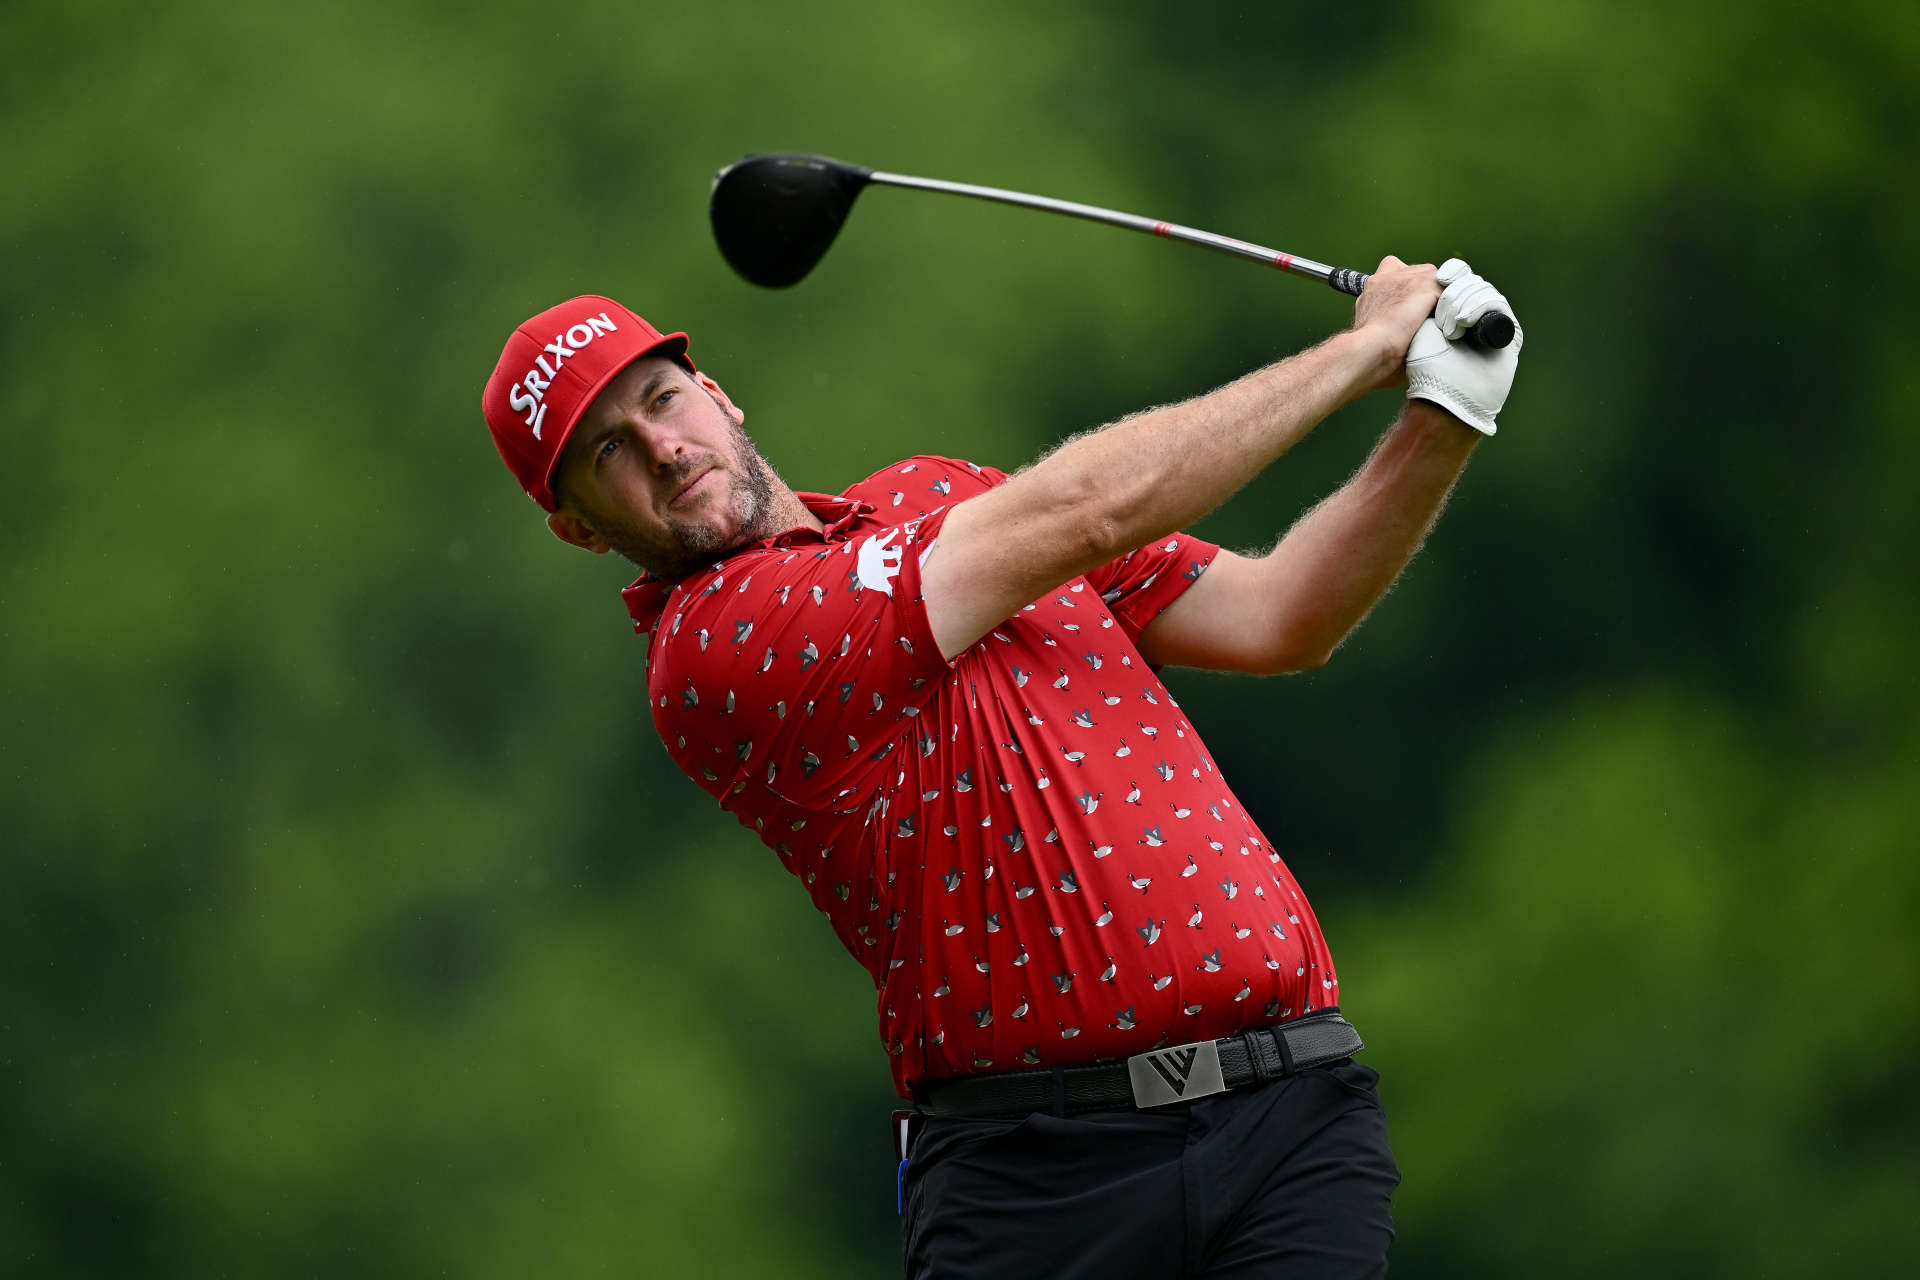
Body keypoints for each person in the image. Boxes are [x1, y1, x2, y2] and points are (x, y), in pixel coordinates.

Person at [480, 257, 1522, 1279]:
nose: (662, 447)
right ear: (578, 529)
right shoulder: (713, 651)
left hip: (1291, 1115)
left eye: (664, 399)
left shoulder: (940, 497)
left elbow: (1280, 612)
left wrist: (1442, 416)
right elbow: (1085, 510)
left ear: (719, 393)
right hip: (1040, 1187)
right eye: (610, 450)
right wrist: (1369, 350)